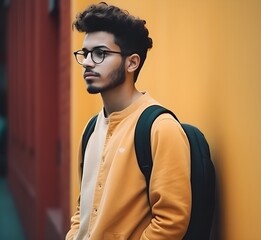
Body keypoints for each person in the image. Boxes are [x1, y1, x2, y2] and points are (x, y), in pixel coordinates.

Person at [66, 2, 191, 239]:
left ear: (132, 62)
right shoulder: (91, 128)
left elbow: (170, 222)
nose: (89, 62)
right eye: (85, 53)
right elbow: (83, 209)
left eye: (100, 53)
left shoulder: (160, 128)